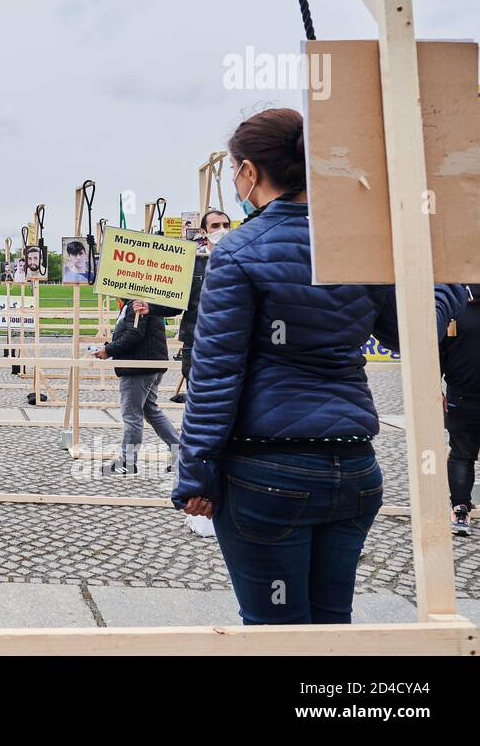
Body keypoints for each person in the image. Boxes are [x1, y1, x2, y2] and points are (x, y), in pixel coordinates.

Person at [173, 107, 467, 625]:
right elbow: (412, 333)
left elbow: (215, 373)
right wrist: (442, 270)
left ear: (248, 172)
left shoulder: (238, 251)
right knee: (332, 626)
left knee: (275, 632)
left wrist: (196, 474)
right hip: (354, 468)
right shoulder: (360, 244)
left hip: (267, 469)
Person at [96, 297, 182, 474]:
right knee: (150, 411)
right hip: (149, 364)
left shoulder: (136, 303)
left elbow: (134, 335)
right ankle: (181, 453)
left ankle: (127, 462)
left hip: (139, 367)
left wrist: (109, 350)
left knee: (132, 415)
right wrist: (109, 347)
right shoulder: (142, 301)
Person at [169, 209, 232, 404]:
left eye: (226, 225)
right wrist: (149, 307)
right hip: (196, 342)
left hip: (230, 343)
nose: (222, 229)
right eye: (215, 226)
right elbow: (174, 303)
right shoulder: (193, 263)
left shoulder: (240, 261)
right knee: (198, 402)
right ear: (203, 232)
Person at [441, 284, 480, 535]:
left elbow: (438, 352)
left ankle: (461, 508)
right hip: (461, 397)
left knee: (461, 455)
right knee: (461, 455)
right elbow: (439, 351)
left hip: (461, 396)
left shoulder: (454, 307)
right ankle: (461, 508)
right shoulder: (455, 309)